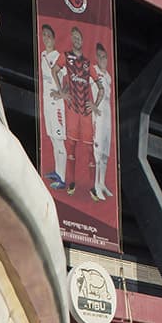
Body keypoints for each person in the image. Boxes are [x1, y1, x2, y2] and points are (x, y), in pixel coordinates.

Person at [62, 26, 101, 196]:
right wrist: (62, 92)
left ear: (83, 41)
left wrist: (95, 105)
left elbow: (101, 88)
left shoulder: (88, 64)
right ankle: (71, 183)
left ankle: (92, 187)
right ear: (71, 39)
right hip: (72, 111)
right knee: (70, 147)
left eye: (79, 38)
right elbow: (56, 72)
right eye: (75, 37)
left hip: (85, 113)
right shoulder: (66, 58)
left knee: (89, 150)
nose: (77, 40)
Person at [40, 23, 67, 190]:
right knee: (52, 138)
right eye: (43, 35)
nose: (46, 39)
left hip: (56, 105)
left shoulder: (59, 57)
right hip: (46, 103)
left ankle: (62, 179)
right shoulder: (43, 54)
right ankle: (57, 172)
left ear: (54, 38)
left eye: (49, 36)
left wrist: (61, 93)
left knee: (59, 141)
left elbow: (69, 80)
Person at [91, 43, 114, 201]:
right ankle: (96, 185)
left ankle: (102, 182)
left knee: (105, 152)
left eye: (104, 56)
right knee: (98, 152)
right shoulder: (95, 72)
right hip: (98, 114)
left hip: (108, 115)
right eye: (99, 56)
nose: (102, 59)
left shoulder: (108, 77)